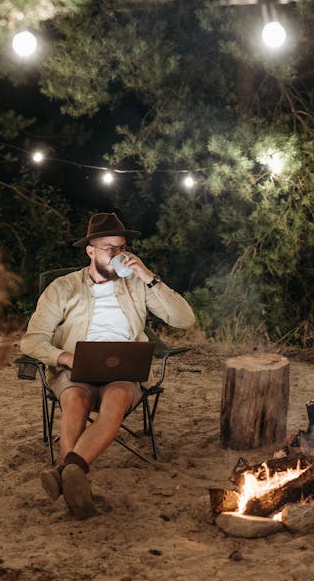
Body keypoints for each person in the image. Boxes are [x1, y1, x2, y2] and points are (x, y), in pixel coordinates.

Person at [20, 211, 196, 519]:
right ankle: (77, 477)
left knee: (115, 400)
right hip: (75, 369)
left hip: (124, 370)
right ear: (90, 251)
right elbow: (31, 341)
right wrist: (64, 358)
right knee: (75, 399)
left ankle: (68, 471)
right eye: (109, 248)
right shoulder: (63, 288)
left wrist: (147, 276)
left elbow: (184, 319)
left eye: (122, 248)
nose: (118, 255)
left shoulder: (138, 285)